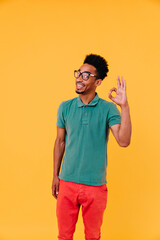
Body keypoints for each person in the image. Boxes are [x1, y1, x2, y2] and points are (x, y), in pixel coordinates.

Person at [52, 53, 131, 240]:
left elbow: (123, 140)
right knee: (64, 235)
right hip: (67, 182)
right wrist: (55, 175)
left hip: (95, 187)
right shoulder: (65, 107)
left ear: (98, 82)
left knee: (93, 236)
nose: (79, 78)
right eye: (78, 73)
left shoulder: (108, 109)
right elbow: (60, 141)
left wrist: (124, 106)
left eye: (86, 75)